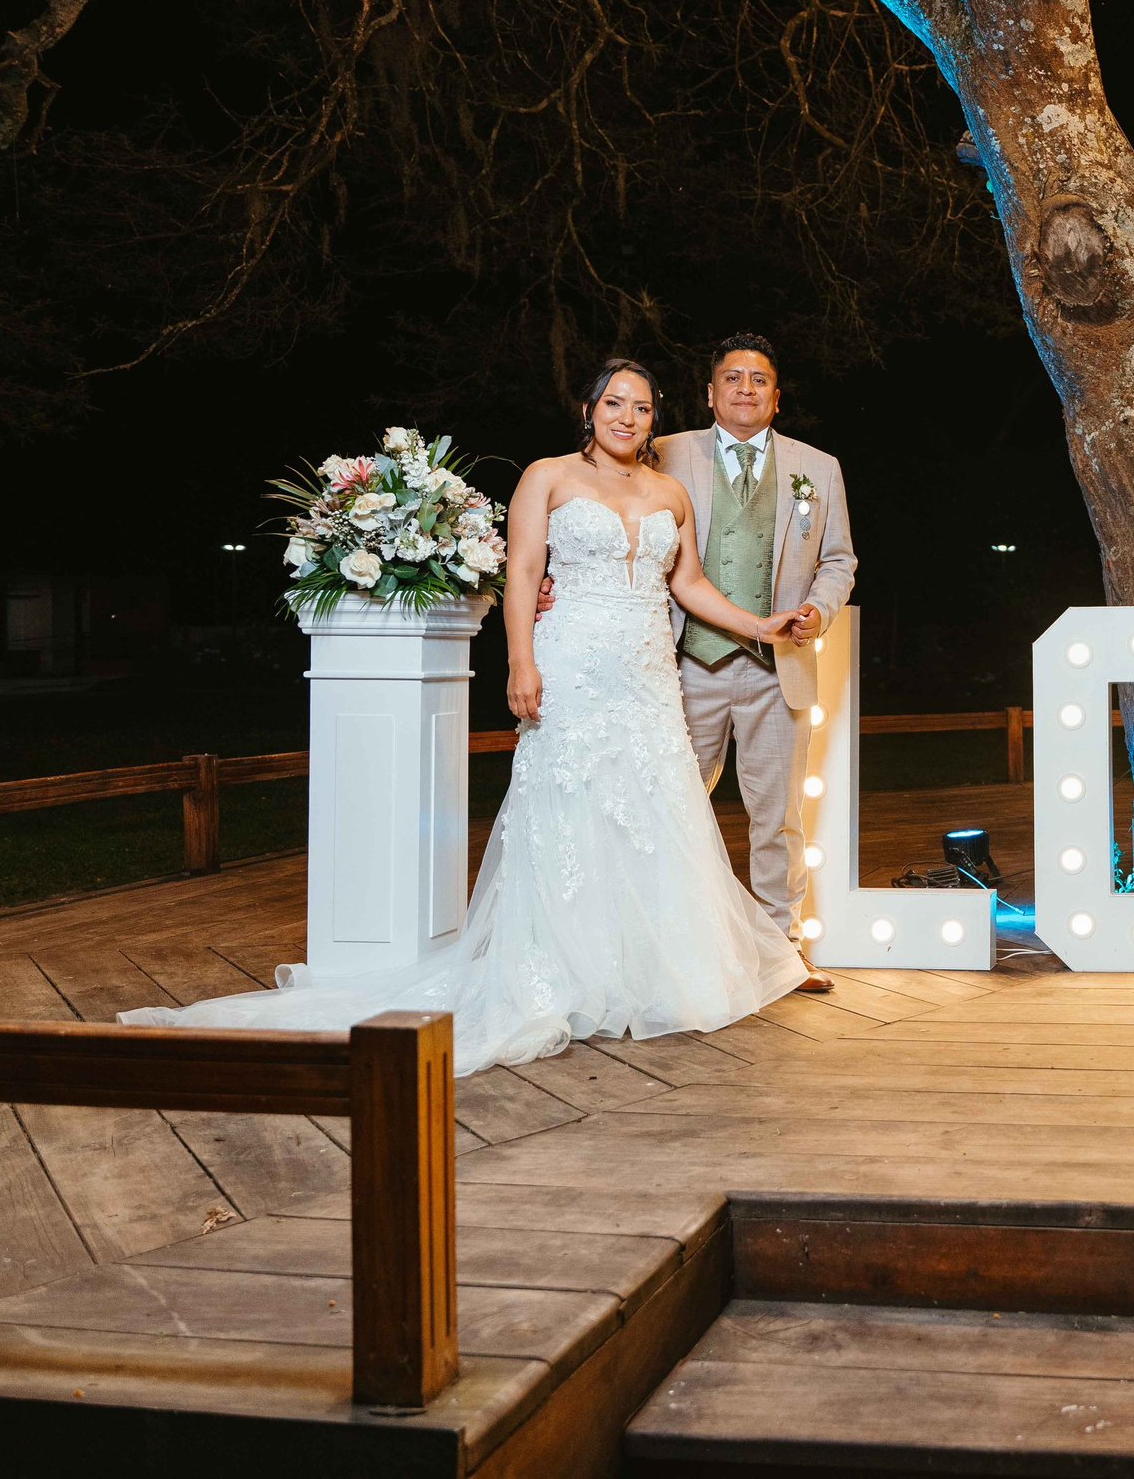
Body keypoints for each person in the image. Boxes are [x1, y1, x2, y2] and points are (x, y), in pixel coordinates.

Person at [121, 359, 811, 1074]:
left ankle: (647, 973)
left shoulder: (670, 491)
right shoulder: (547, 475)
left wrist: (761, 625)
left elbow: (689, 582)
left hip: (646, 677)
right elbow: (520, 572)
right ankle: (561, 971)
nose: (627, 417)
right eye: (614, 402)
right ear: (589, 407)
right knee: (569, 812)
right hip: (570, 663)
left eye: (640, 407)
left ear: (654, 419)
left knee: (652, 812)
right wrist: (521, 660)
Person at [537, 336, 855, 992]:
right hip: (683, 663)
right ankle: (657, 949)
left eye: (759, 380)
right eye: (732, 378)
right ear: (709, 393)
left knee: (780, 816)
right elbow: (594, 511)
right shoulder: (665, 449)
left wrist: (818, 610)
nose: (746, 388)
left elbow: (838, 559)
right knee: (665, 808)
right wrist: (551, 579)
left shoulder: (815, 469)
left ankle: (782, 953)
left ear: (775, 394)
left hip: (778, 664)